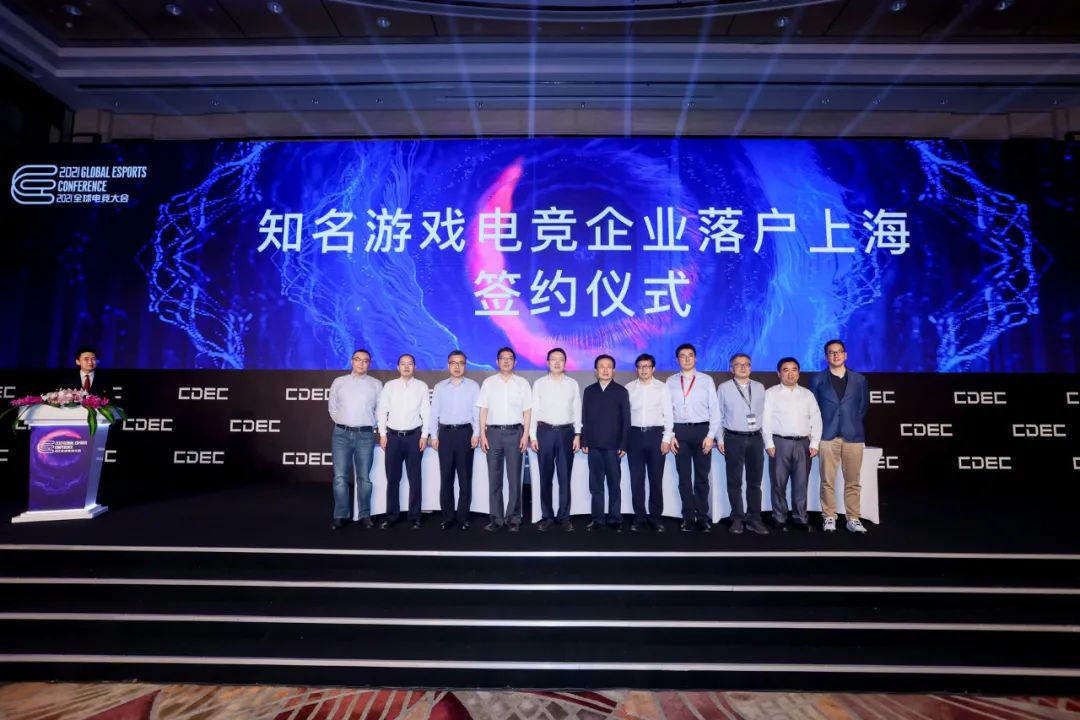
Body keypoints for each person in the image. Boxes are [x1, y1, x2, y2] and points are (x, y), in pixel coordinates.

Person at [810, 339, 870, 534]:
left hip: (853, 437)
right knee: (827, 481)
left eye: (839, 352)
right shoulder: (817, 380)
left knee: (853, 482)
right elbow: (813, 409)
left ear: (845, 355)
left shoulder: (859, 380)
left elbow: (862, 408)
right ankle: (829, 516)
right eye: (831, 352)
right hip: (827, 437)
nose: (835, 355)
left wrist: (849, 424)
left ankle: (853, 518)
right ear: (826, 356)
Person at [763, 357, 822, 533]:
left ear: (799, 372)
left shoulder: (807, 394)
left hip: (803, 444)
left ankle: (800, 517)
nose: (790, 374)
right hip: (779, 443)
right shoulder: (771, 393)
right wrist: (769, 442)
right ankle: (779, 518)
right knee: (778, 483)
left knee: (801, 484)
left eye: (794, 369)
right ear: (778, 373)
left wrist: (815, 442)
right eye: (786, 370)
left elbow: (816, 419)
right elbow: (765, 420)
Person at [666, 343, 720, 532]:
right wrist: (671, 435)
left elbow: (715, 410)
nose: (687, 359)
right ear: (677, 359)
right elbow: (667, 411)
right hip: (680, 432)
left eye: (690, 355)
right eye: (683, 356)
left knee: (702, 477)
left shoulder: (706, 380)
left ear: (696, 358)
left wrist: (711, 436)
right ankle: (688, 517)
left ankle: (702, 517)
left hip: (702, 431)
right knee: (684, 477)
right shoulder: (670, 381)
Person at [477, 347, 532, 532]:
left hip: (515, 433)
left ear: (515, 362)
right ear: (497, 361)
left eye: (509, 358)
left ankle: (514, 518)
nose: (506, 361)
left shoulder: (522, 383)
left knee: (514, 478)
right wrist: (483, 434)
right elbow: (483, 410)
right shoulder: (488, 383)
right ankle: (496, 518)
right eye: (502, 358)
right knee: (494, 478)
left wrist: (525, 435)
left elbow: (527, 411)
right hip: (492, 434)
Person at [328, 349, 382, 530]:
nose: (361, 363)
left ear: (369, 364)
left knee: (364, 478)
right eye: (358, 359)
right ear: (352, 361)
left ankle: (364, 514)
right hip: (341, 435)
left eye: (365, 360)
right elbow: (332, 408)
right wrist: (345, 423)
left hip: (365, 435)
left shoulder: (376, 384)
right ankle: (340, 515)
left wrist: (368, 424)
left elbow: (380, 411)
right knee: (340, 478)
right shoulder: (339, 382)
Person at [529, 347, 582, 532]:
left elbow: (577, 410)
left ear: (565, 363)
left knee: (564, 477)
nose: (557, 362)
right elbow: (534, 410)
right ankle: (547, 516)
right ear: (547, 363)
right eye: (553, 359)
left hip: (567, 433)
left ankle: (564, 517)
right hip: (544, 432)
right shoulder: (539, 384)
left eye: (561, 359)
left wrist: (577, 434)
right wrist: (533, 436)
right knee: (545, 477)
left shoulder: (573, 384)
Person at [717, 353, 769, 535]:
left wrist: (767, 440)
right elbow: (718, 415)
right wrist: (720, 438)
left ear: (751, 367)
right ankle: (737, 518)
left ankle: (754, 519)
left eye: (746, 364)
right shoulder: (723, 388)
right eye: (738, 365)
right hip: (734, 439)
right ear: (731, 369)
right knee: (735, 481)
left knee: (754, 482)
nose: (743, 367)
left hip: (756, 439)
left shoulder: (760, 387)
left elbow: (765, 415)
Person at [376, 354, 430, 530]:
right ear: (397, 367)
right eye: (403, 364)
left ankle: (415, 517)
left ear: (415, 367)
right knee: (393, 479)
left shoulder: (422, 386)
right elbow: (382, 411)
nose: (406, 367)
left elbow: (426, 412)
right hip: (392, 438)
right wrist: (383, 434)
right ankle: (392, 516)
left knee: (415, 479)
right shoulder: (390, 386)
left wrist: (424, 436)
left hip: (414, 437)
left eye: (410, 364)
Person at [430, 349, 480, 530]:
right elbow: (433, 413)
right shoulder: (439, 387)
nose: (457, 366)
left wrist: (476, 433)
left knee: (465, 478)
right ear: (448, 365)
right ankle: (448, 517)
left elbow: (476, 413)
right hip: (445, 435)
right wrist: (434, 435)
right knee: (446, 478)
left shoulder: (473, 386)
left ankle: (463, 517)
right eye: (453, 363)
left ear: (465, 366)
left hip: (465, 433)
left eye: (461, 363)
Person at [581, 354, 631, 531]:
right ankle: (597, 519)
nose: (605, 369)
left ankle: (615, 518)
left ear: (613, 370)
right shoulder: (589, 391)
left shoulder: (621, 391)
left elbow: (626, 420)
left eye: (608, 366)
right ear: (596, 371)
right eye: (601, 366)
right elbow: (585, 418)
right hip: (594, 446)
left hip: (613, 447)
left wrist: (623, 444)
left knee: (614, 484)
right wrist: (585, 441)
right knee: (595, 485)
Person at [624, 353, 674, 532]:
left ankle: (656, 517)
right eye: (640, 366)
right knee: (636, 480)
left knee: (655, 479)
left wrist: (667, 438)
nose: (643, 370)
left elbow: (669, 415)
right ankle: (639, 517)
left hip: (656, 436)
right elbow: (624, 417)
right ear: (636, 369)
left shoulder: (662, 388)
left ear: (653, 368)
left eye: (647, 366)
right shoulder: (629, 388)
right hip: (634, 436)